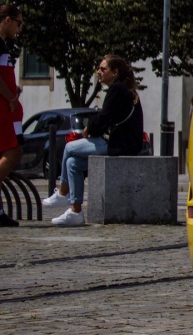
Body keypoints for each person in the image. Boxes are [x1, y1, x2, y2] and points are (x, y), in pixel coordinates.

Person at [44, 55, 146, 226]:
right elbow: (109, 117)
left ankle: (62, 193)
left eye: (103, 69)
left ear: (115, 72)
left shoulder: (118, 89)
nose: (99, 72)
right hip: (120, 144)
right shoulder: (123, 89)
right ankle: (75, 211)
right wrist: (94, 129)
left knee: (69, 148)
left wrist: (89, 130)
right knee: (72, 164)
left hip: (117, 145)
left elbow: (104, 117)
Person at [0, 3, 25, 228]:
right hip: (2, 107)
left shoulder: (3, 45)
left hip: (6, 106)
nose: (19, 29)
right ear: (7, 19)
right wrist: (10, 98)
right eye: (18, 23)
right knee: (13, 152)